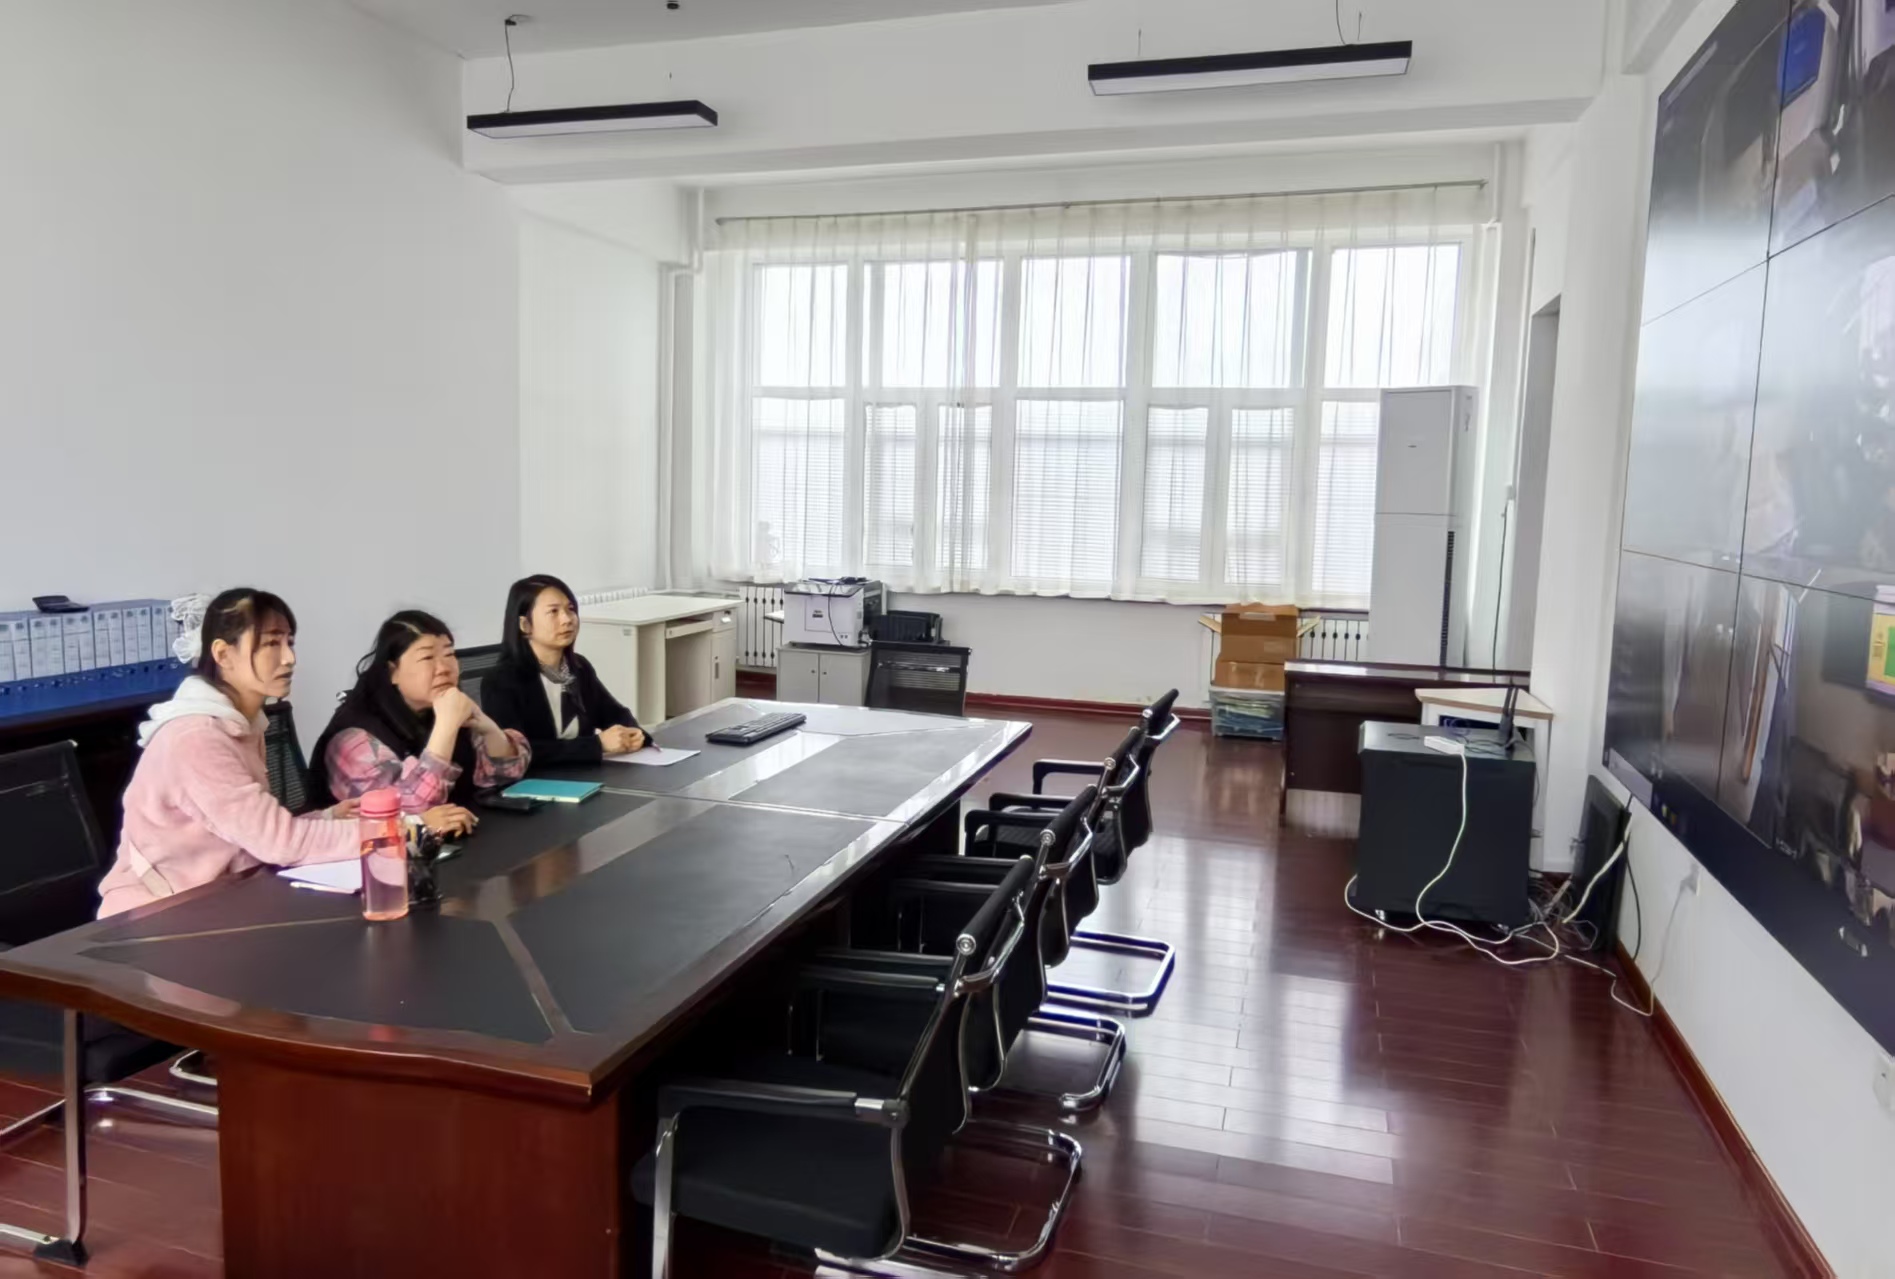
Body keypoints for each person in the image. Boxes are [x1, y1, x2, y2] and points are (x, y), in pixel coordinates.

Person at [97, 589, 361, 918]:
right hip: (154, 917)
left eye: (289, 642)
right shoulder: (197, 738)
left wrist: (327, 819)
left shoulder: (242, 723)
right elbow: (279, 843)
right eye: (271, 643)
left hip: (216, 902)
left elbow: (247, 836)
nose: (289, 658)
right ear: (223, 654)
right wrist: (390, 832)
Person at [309, 610, 529, 837]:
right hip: (375, 854)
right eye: (427, 658)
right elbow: (412, 810)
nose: (444, 668)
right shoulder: (353, 739)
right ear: (393, 672)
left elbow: (507, 774)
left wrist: (488, 728)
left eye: (449, 654)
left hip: (458, 840)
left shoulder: (437, 708)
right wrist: (445, 727)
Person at [481, 574, 646, 766]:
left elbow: (614, 714)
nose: (567, 619)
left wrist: (634, 734)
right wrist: (596, 745)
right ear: (525, 625)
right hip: (534, 781)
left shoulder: (579, 667)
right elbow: (514, 753)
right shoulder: (500, 681)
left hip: (586, 776)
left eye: (570, 609)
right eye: (553, 612)